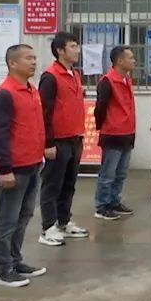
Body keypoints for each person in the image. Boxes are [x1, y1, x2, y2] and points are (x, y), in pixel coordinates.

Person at [0, 44, 48, 287]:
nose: (33, 62)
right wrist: (5, 169)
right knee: (7, 220)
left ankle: (15, 260)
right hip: (14, 168)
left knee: (24, 216)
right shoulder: (5, 94)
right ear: (12, 63)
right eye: (28, 58)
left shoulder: (32, 90)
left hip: (33, 164)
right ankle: (3, 269)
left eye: (34, 58)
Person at [37, 32, 89, 246]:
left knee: (69, 184)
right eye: (73, 46)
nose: (77, 50)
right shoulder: (50, 77)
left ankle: (64, 221)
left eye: (77, 46)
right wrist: (47, 143)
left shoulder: (74, 74)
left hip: (74, 138)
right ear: (60, 50)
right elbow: (45, 112)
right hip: (57, 141)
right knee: (52, 185)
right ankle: (48, 228)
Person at [93, 46, 137, 221]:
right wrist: (105, 125)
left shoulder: (126, 80)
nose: (134, 61)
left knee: (121, 173)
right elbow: (100, 108)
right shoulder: (107, 81)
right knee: (108, 173)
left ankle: (114, 201)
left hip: (127, 132)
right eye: (130, 58)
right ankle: (102, 206)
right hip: (112, 133)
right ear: (119, 61)